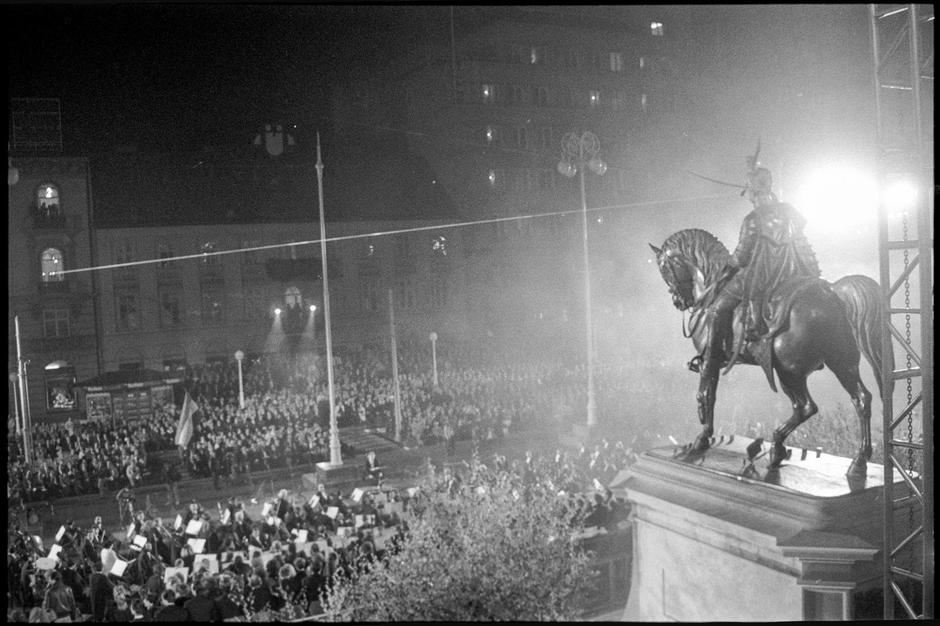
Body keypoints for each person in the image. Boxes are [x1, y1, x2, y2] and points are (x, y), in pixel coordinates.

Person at [698, 153, 821, 379]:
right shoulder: (790, 212)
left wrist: (726, 269)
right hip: (792, 273)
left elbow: (740, 257)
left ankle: (711, 359)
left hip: (762, 276)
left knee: (717, 309)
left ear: (753, 192)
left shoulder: (753, 219)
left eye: (749, 192)